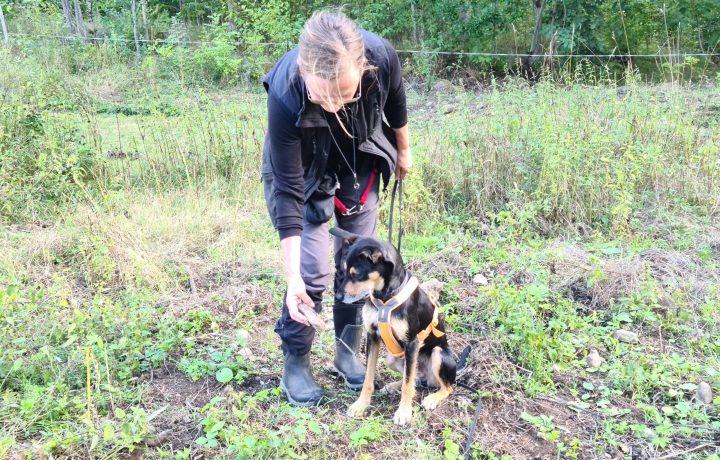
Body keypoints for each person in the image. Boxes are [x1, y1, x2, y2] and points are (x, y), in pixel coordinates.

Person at [261, 9, 411, 406]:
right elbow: (289, 191)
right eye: (321, 95)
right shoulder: (285, 91)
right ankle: (296, 361)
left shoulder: (381, 56)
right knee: (311, 273)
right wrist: (291, 276)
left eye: (344, 94)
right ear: (303, 69)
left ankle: (347, 354)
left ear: (363, 68)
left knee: (358, 260)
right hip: (304, 173)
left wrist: (404, 149)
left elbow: (395, 101)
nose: (332, 105)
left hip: (359, 161)